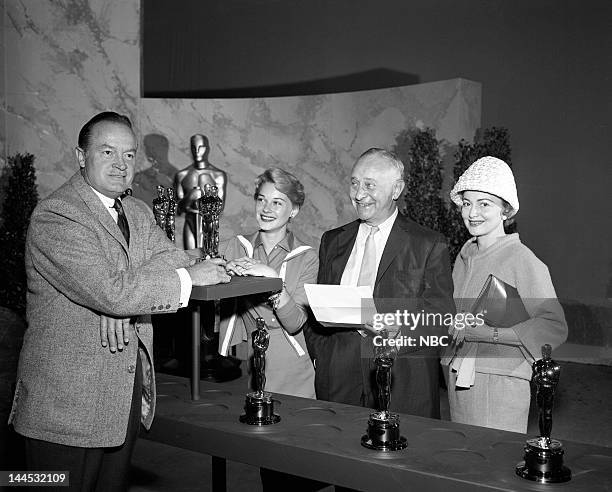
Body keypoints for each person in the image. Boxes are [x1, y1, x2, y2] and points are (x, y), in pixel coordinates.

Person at [9, 112, 230, 491]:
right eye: (107, 151)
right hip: (65, 410)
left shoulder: (136, 211)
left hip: (119, 401)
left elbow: (165, 257)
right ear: (81, 156)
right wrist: (126, 296)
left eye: (129, 155)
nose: (120, 164)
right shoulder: (58, 215)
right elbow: (111, 292)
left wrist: (123, 300)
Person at [305, 148, 455, 418]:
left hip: (402, 378)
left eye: (370, 185)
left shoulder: (428, 243)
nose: (359, 194)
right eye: (354, 183)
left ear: (397, 189)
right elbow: (318, 306)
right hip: (338, 376)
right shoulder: (332, 240)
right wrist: (322, 355)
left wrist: (400, 333)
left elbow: (442, 316)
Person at [441, 156, 567, 433]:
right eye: (466, 203)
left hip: (500, 382)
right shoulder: (465, 256)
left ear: (505, 210)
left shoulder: (522, 259)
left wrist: (491, 335)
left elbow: (553, 325)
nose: (472, 212)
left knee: (494, 466)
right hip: (458, 377)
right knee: (464, 461)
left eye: (484, 203)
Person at [219, 168, 317, 399]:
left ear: (293, 210)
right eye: (261, 200)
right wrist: (221, 270)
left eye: (277, 203)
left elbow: (295, 323)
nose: (266, 209)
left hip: (292, 366)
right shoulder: (237, 246)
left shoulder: (307, 256)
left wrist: (270, 277)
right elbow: (191, 261)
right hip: (247, 365)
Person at [174, 134, 227, 249]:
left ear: (207, 149)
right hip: (190, 222)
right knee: (191, 258)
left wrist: (203, 198)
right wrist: (190, 197)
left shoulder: (218, 175)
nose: (197, 151)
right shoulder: (182, 175)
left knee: (209, 259)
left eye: (201, 147)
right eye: (194, 147)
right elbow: (178, 209)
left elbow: (220, 207)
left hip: (208, 223)